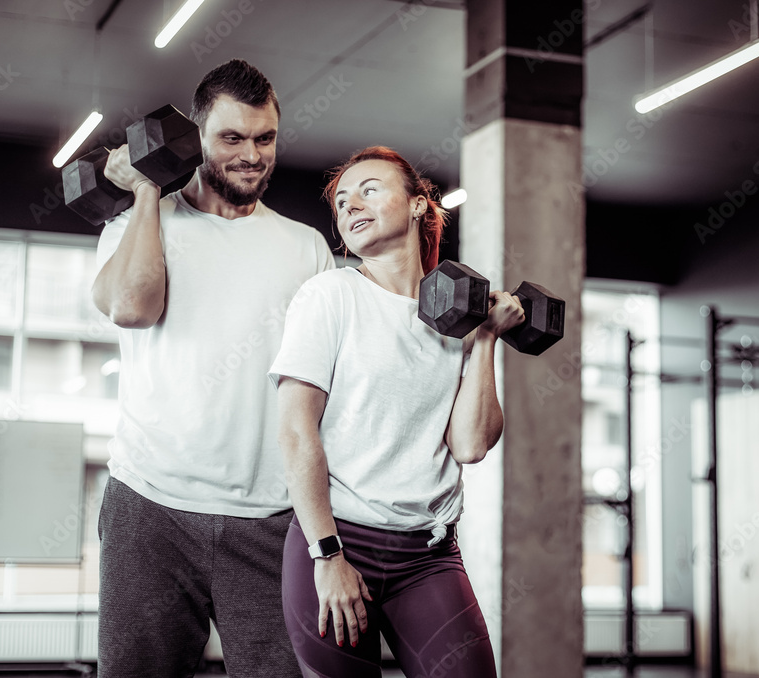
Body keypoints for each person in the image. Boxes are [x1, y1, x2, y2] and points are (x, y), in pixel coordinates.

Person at [92, 59, 334, 678]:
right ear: (196, 137)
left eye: (265, 138)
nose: (252, 155)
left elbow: (334, 384)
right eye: (232, 138)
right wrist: (149, 187)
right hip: (151, 504)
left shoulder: (306, 246)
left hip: (271, 517)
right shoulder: (135, 225)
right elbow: (130, 307)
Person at [268, 146, 525, 677]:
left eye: (369, 190)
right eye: (341, 201)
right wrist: (327, 556)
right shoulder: (330, 296)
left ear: (417, 205)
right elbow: (296, 432)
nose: (350, 206)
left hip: (428, 554)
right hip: (339, 539)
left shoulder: (455, 318)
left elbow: (472, 446)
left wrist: (485, 340)